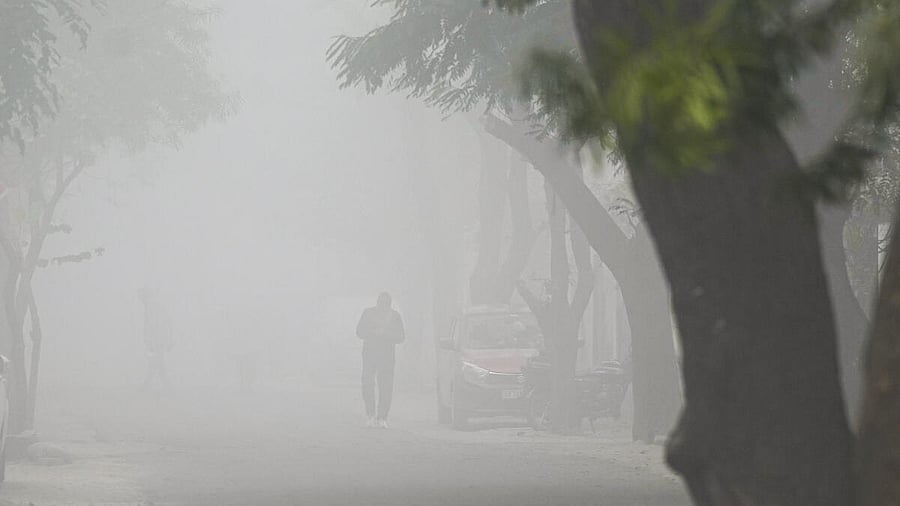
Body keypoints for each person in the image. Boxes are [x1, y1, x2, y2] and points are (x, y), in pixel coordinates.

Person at [356, 292, 405, 428]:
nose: (383, 308)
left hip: (387, 358)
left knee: (386, 387)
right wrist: (372, 332)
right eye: (381, 305)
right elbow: (359, 332)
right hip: (370, 355)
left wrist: (386, 335)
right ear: (377, 304)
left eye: (385, 305)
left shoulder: (395, 317)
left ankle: (382, 417)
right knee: (367, 384)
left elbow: (401, 336)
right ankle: (371, 414)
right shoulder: (368, 314)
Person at [139, 287, 174, 392]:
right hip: (157, 339)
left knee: (156, 361)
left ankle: (148, 385)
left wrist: (150, 339)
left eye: (141, 296)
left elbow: (153, 324)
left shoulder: (151, 307)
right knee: (157, 362)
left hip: (156, 340)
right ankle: (162, 385)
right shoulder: (152, 306)